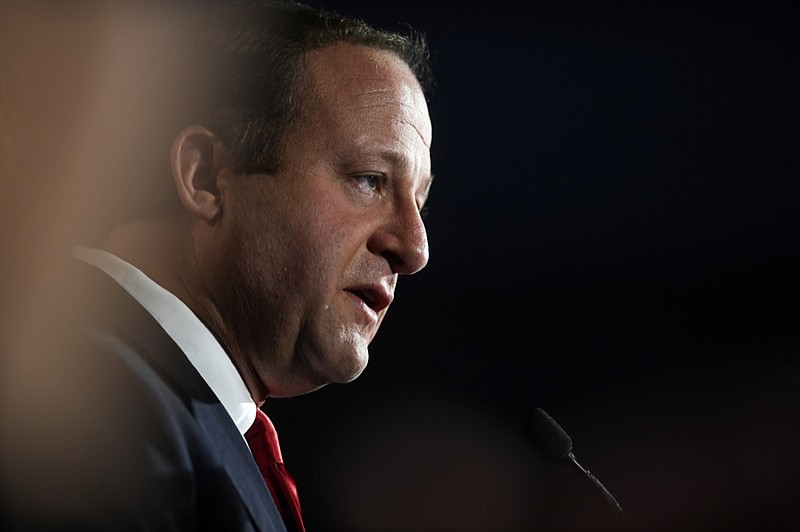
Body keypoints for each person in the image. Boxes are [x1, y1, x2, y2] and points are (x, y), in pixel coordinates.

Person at [0, 1, 433, 530]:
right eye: (369, 180)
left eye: (420, 202)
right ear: (204, 177)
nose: (414, 247)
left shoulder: (178, 416)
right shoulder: (88, 403)